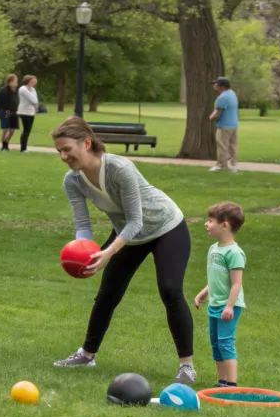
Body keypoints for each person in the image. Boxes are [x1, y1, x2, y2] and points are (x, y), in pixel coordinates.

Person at [50, 117, 197, 384]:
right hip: (127, 232)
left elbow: (136, 221)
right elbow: (82, 224)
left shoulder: (119, 168)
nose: (62, 156)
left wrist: (110, 252)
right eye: (58, 151)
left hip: (166, 226)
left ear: (86, 143)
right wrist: (83, 252)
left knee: (170, 289)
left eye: (66, 149)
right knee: (108, 292)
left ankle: (186, 367)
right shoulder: (72, 180)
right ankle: (87, 354)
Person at [194, 202, 246, 387]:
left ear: (224, 225)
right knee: (216, 345)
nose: (206, 224)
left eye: (210, 221)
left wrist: (229, 306)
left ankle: (231, 385)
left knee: (225, 343)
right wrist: (203, 293)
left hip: (228, 306)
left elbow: (236, 283)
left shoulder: (234, 253)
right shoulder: (214, 248)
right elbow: (216, 278)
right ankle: (221, 382)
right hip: (214, 304)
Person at [209, 77, 239, 172]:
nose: (215, 86)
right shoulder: (232, 93)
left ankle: (221, 166)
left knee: (222, 146)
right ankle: (233, 166)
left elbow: (217, 112)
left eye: (216, 84)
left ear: (222, 86)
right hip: (233, 124)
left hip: (224, 125)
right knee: (232, 146)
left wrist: (210, 118)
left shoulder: (223, 97)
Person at [0, 74, 20, 152]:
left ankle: (6, 143)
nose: (16, 83)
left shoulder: (16, 90)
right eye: (15, 81)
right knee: (5, 129)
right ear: (10, 82)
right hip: (6, 111)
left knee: (12, 130)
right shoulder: (4, 90)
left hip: (14, 112)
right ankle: (3, 147)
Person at [17, 75, 39, 153]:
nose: (34, 82)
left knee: (28, 130)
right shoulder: (23, 89)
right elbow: (33, 99)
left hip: (31, 112)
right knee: (26, 130)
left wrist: (36, 104)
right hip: (24, 112)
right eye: (33, 81)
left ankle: (24, 148)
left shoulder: (32, 89)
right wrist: (35, 103)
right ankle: (23, 149)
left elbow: (36, 99)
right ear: (28, 81)